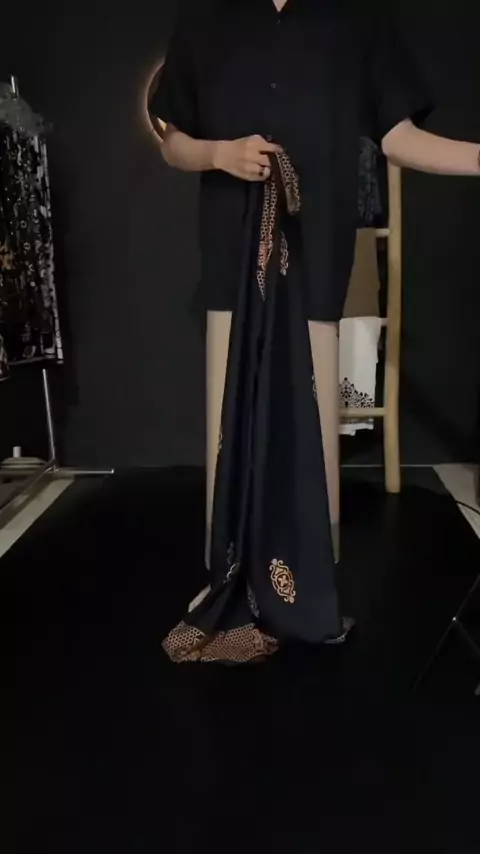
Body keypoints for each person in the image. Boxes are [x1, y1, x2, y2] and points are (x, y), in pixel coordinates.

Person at [150, 0, 480, 665]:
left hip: (317, 250)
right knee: (230, 419)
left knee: (310, 420)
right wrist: (220, 153)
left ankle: (304, 583)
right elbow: (174, 141)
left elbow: (397, 137)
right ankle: (228, 577)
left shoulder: (355, 18)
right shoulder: (207, 18)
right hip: (233, 252)